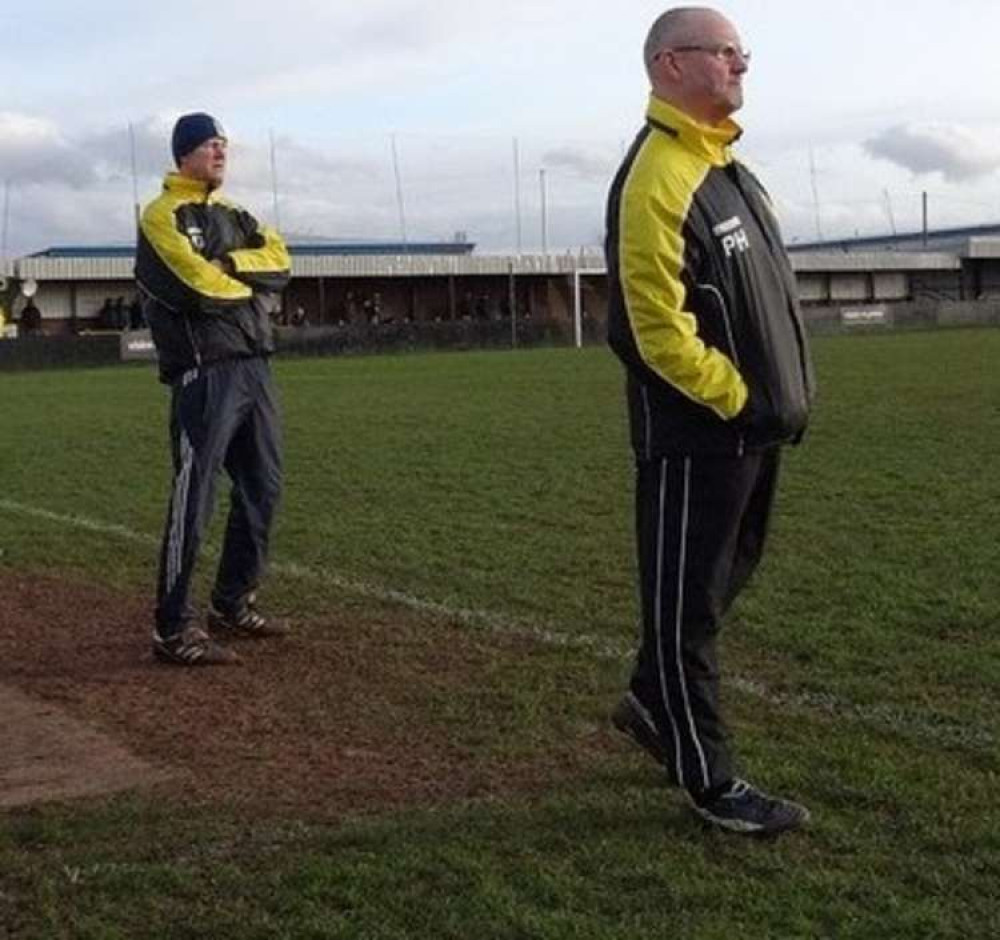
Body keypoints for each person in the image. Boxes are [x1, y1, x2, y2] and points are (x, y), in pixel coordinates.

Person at [605, 7, 815, 834]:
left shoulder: (730, 169)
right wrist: (736, 397)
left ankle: (651, 702)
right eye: (725, 53)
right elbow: (650, 327)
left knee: (722, 582)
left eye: (742, 53)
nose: (741, 67)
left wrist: (777, 397)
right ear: (669, 65)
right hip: (700, 436)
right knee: (685, 607)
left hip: (754, 431)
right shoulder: (658, 176)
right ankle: (710, 781)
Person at [135, 112, 292, 667]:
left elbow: (279, 259)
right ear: (184, 154)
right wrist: (241, 285)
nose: (220, 152)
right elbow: (191, 286)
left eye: (224, 143)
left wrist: (229, 262)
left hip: (255, 366)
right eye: (208, 144)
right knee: (194, 496)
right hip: (205, 372)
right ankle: (172, 628)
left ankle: (232, 602)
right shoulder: (160, 216)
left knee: (263, 486)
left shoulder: (235, 214)